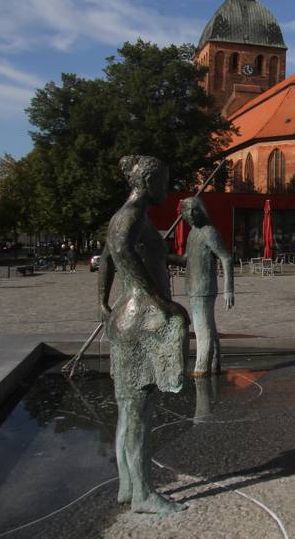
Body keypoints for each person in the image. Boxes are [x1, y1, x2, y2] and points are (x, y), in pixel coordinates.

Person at [98, 155, 189, 514]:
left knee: (127, 409)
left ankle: (127, 485)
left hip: (126, 316)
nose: (167, 188)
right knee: (139, 411)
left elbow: (107, 257)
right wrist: (158, 301)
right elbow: (120, 250)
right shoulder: (131, 215)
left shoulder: (127, 216)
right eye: (164, 181)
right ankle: (143, 495)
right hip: (140, 320)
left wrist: (102, 302)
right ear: (148, 182)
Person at [168, 197, 234, 377]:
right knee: (208, 327)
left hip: (203, 288)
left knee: (202, 329)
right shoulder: (192, 234)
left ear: (202, 211)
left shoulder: (209, 232)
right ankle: (214, 364)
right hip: (194, 286)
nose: (190, 214)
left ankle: (201, 368)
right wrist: (165, 256)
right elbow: (185, 260)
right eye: (187, 211)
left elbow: (226, 258)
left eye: (194, 210)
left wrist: (228, 289)